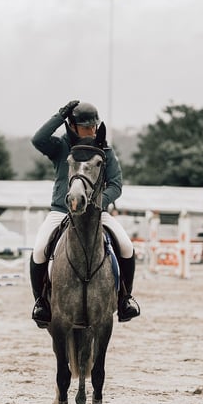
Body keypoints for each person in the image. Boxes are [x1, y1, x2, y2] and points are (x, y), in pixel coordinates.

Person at [29, 100, 141, 327]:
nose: (91, 130)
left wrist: (96, 203)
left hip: (97, 213)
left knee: (127, 246)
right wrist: (60, 115)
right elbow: (38, 139)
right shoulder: (60, 147)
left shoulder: (105, 151)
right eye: (85, 127)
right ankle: (41, 302)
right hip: (62, 211)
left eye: (93, 126)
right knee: (39, 249)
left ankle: (124, 299)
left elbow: (116, 185)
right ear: (72, 126)